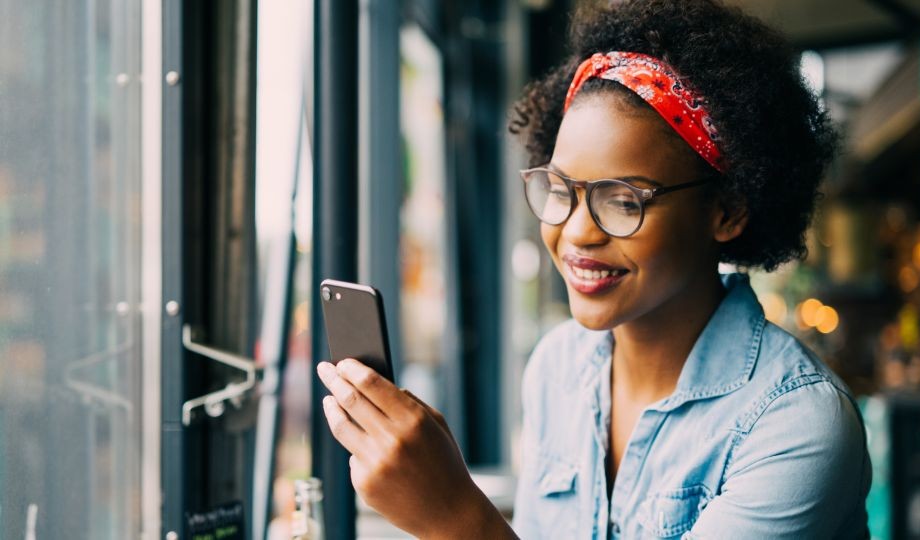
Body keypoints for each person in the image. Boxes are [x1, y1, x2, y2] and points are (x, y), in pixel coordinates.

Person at [315, 0, 871, 537]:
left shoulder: (796, 424)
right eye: (560, 190)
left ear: (727, 211)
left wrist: (452, 518)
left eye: (624, 200)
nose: (577, 232)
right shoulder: (556, 369)